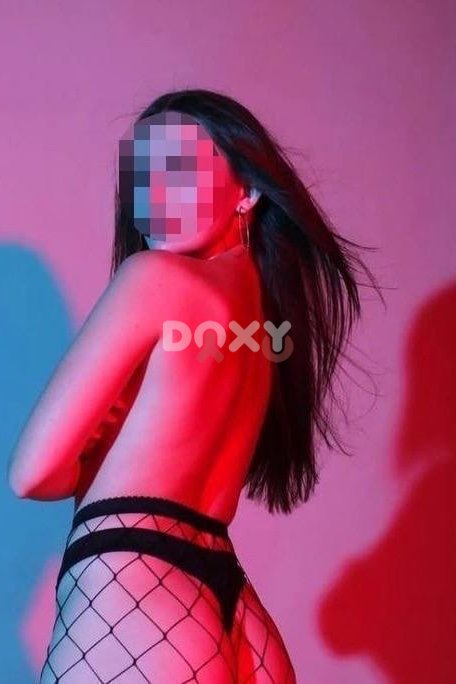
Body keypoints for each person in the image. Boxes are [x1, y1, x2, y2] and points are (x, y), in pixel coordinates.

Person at [7, 88, 383, 682]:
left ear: (248, 190)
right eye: (142, 176)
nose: (154, 196)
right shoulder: (265, 333)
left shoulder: (154, 279)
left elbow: (30, 475)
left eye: (180, 169)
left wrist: (94, 448)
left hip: (132, 594)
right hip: (235, 615)